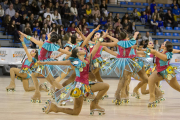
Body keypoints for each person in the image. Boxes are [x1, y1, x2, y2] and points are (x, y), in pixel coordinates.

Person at [40, 26, 109, 115]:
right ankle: (55, 108)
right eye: (81, 48)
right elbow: (60, 63)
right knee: (76, 112)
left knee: (106, 86)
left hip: (87, 85)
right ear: (77, 53)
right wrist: (43, 63)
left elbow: (96, 47)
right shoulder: (74, 62)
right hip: (79, 87)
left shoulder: (88, 58)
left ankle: (94, 104)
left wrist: (102, 37)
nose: (83, 48)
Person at [19, 31, 71, 103]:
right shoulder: (53, 45)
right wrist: (73, 54)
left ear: (50, 36)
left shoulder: (42, 44)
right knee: (34, 75)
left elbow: (31, 38)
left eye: (50, 33)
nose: (49, 33)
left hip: (44, 65)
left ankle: (66, 94)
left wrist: (23, 34)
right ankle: (37, 94)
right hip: (48, 64)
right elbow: (64, 51)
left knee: (52, 81)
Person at [148, 41, 180, 107]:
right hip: (159, 71)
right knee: (150, 79)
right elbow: (175, 50)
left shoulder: (167, 54)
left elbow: (161, 56)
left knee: (177, 87)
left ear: (165, 47)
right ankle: (152, 98)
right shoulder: (161, 50)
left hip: (167, 72)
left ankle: (158, 96)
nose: (161, 44)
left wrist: (152, 51)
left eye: (163, 44)